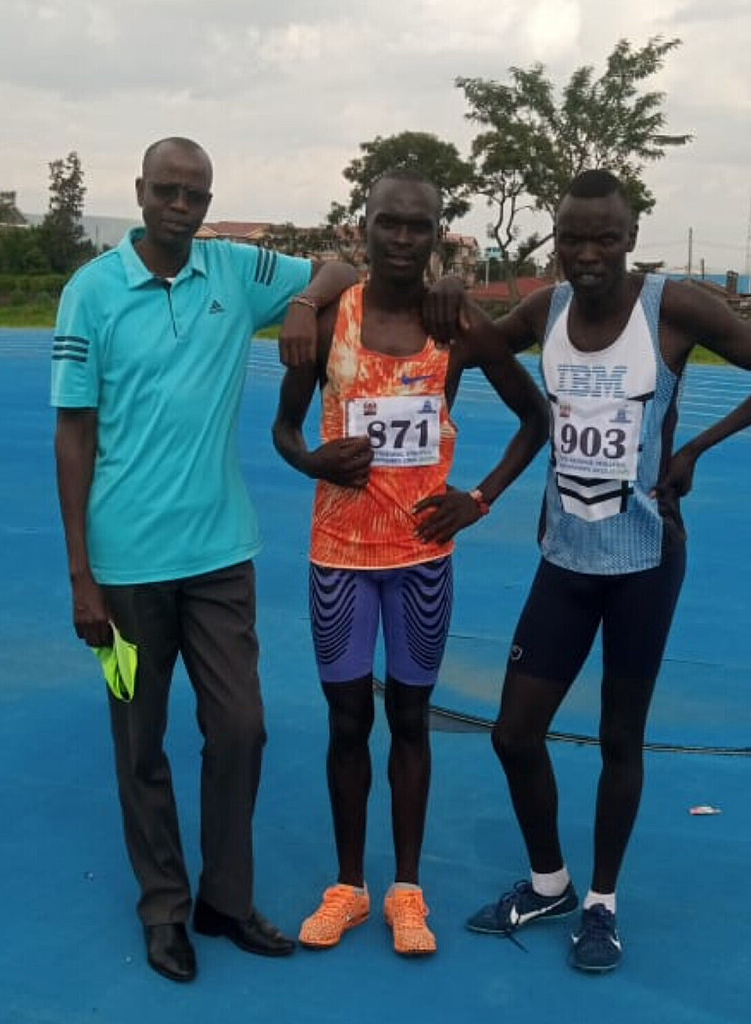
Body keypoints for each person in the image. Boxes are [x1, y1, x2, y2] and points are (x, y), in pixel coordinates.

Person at [462, 169, 751, 972]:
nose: (587, 253)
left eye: (604, 238)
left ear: (629, 237)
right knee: (514, 733)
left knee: (620, 736)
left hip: (644, 562)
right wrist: (439, 297)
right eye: (572, 238)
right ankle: (549, 883)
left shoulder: (672, 308)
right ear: (555, 240)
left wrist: (693, 449)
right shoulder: (544, 310)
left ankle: (601, 904)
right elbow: (473, 343)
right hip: (564, 557)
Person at [51, 136, 361, 983]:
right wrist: (81, 576)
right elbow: (73, 433)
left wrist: (303, 304)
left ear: (209, 202)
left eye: (195, 194)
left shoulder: (236, 270)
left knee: (241, 728)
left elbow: (338, 269)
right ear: (140, 191)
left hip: (221, 557)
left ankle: (225, 899)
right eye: (167, 190)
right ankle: (164, 907)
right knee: (138, 740)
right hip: (122, 571)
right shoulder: (91, 293)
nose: (180, 206)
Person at [271, 170, 548, 957]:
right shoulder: (332, 319)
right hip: (340, 560)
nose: (400, 238)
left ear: (436, 232)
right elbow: (284, 430)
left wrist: (479, 498)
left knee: (410, 720)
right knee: (346, 720)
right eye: (386, 223)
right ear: (363, 226)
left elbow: (535, 418)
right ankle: (347, 888)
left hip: (422, 561)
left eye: (416, 225)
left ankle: (406, 892)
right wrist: (313, 461)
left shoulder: (452, 323)